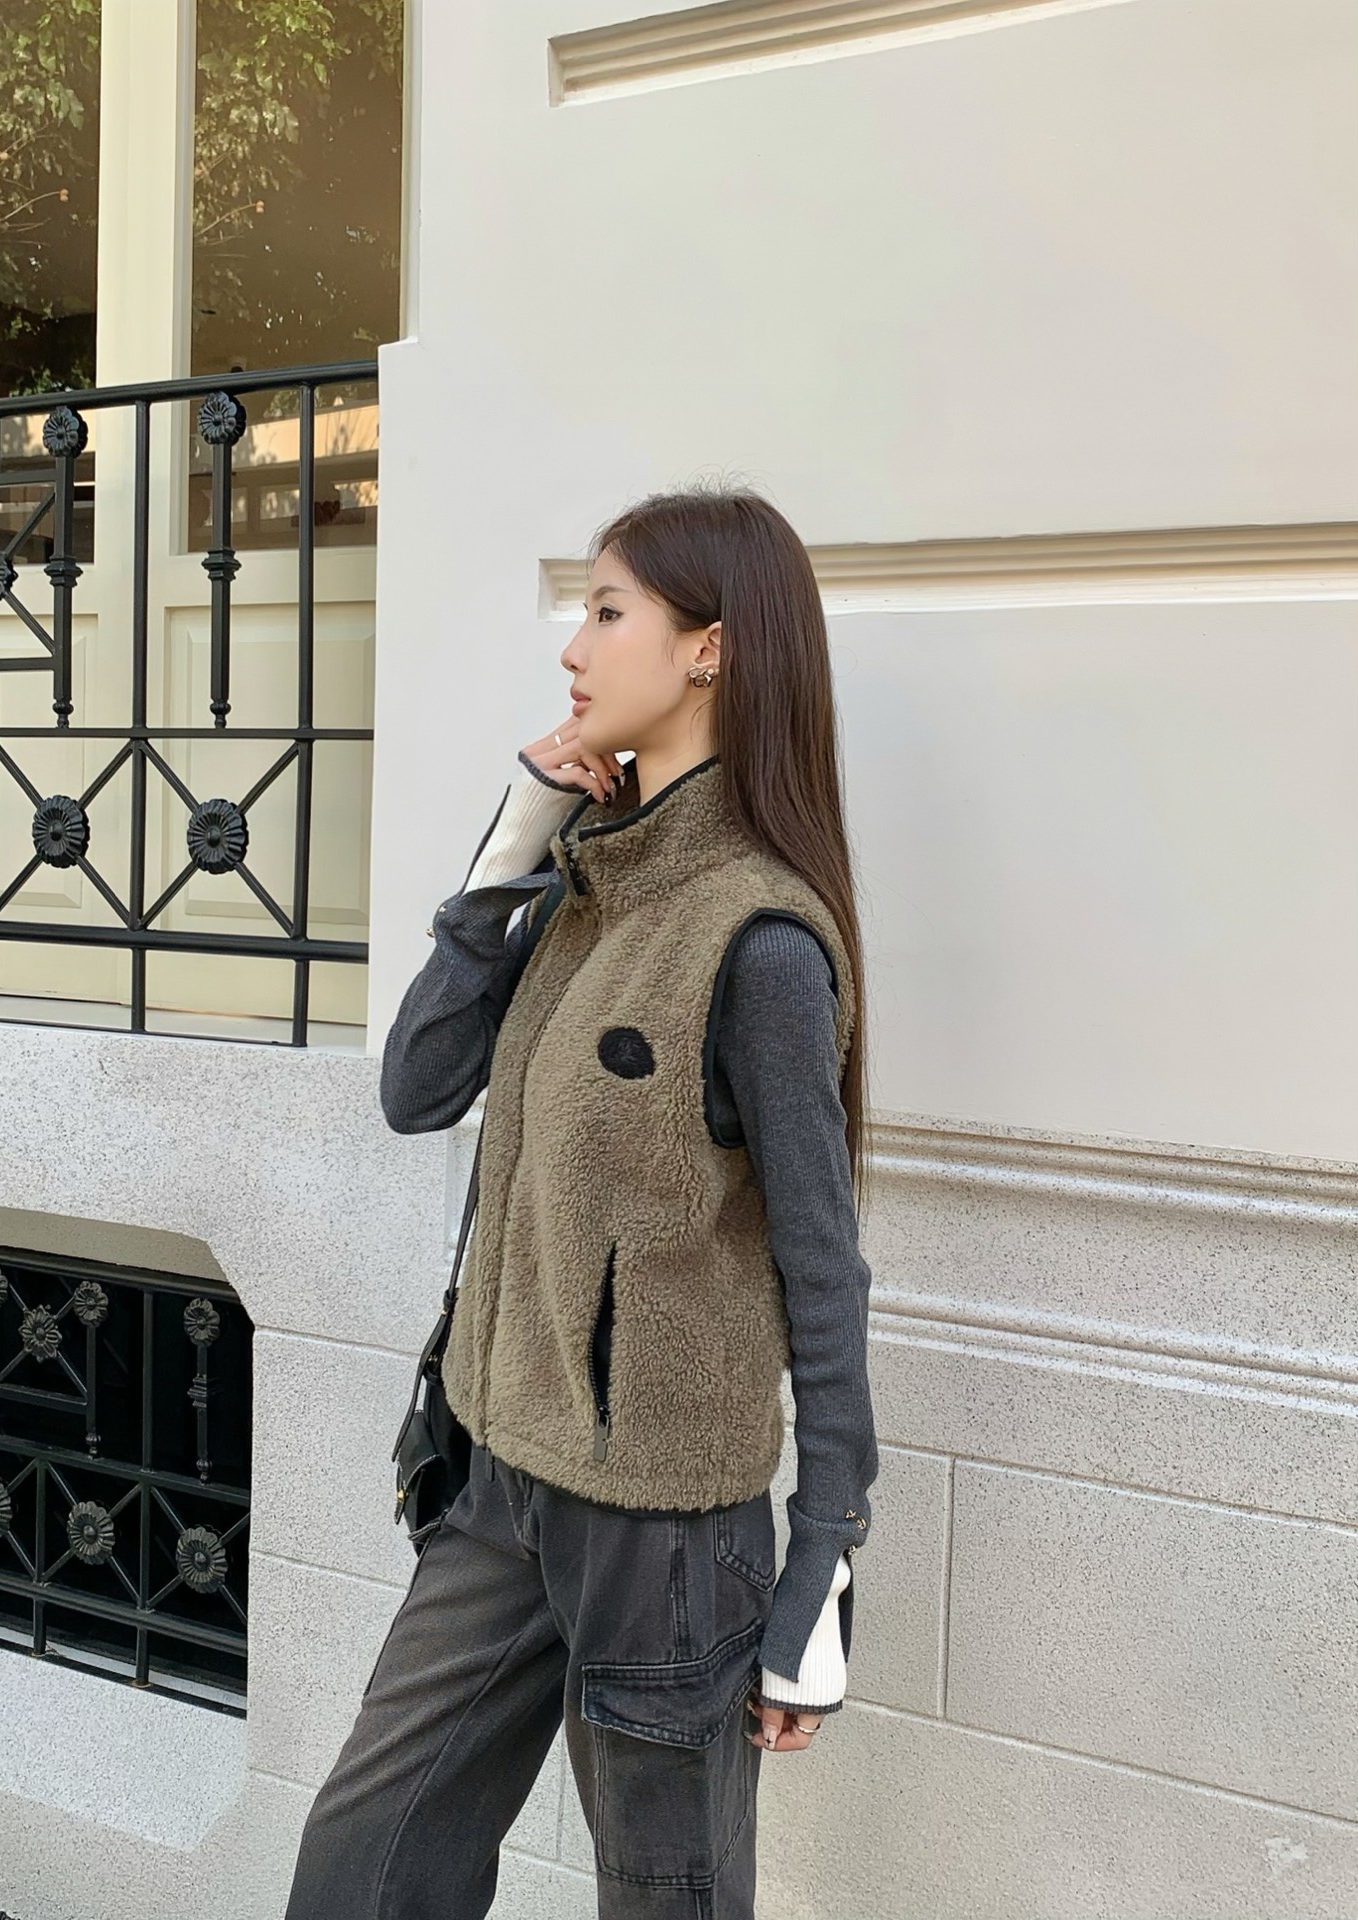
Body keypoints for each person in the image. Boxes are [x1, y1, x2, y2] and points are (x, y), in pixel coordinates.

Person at [283, 485, 880, 1920]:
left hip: (664, 1536)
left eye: (608, 611)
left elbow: (823, 1267)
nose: (573, 647)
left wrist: (821, 1560)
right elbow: (416, 1088)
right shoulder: (580, 887)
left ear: (709, 649)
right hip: (501, 1479)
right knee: (361, 1867)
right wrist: (518, 839)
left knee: (669, 1900)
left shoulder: (761, 941)